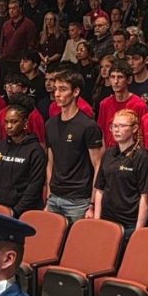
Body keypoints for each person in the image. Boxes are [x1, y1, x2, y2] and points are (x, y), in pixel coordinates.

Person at [45, 70, 103, 223]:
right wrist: (49, 195)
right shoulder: (50, 124)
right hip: (54, 197)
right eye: (56, 89)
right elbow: (50, 162)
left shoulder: (88, 126)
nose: (57, 94)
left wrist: (92, 204)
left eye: (63, 89)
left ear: (76, 91)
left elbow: (98, 165)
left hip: (78, 200)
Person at [93, 108, 148, 241]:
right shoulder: (108, 153)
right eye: (114, 126)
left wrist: (138, 230)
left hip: (129, 224)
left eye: (122, 126)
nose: (116, 130)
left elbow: (145, 196)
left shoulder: (142, 156)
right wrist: (96, 220)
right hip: (107, 220)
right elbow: (100, 189)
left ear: (134, 128)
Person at [0, 97, 47, 216]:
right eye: (6, 122)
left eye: (14, 122)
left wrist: (16, 211)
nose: (9, 126)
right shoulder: (0, 147)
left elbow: (34, 186)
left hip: (24, 212)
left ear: (25, 123)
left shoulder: (35, 150)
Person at [97, 60, 148, 147]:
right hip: (109, 155)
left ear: (129, 80)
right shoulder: (104, 104)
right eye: (112, 77)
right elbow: (101, 134)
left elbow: (143, 136)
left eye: (120, 77)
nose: (115, 81)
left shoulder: (140, 105)